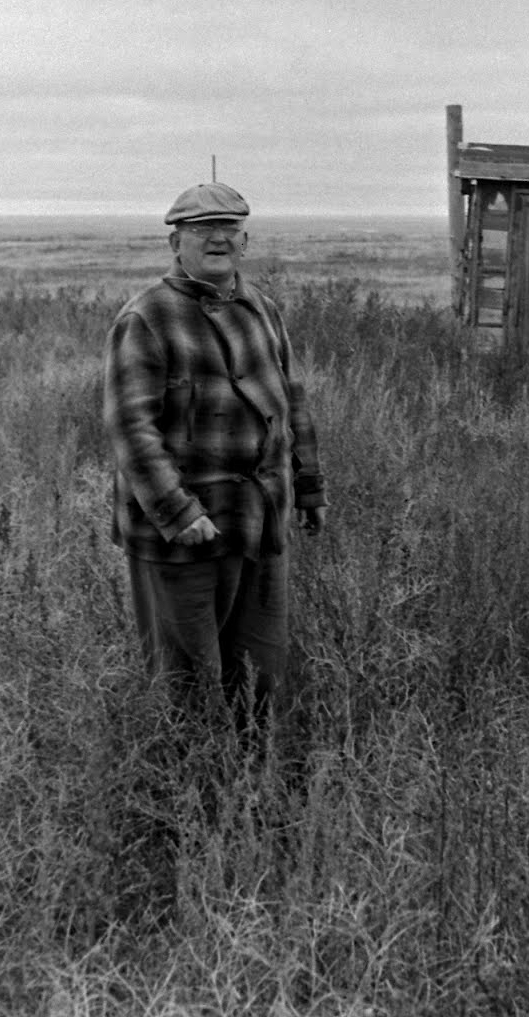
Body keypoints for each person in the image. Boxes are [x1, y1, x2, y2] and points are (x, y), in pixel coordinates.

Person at [103, 182, 326, 748]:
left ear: (245, 240)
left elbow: (291, 400)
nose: (218, 238)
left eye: (229, 228)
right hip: (188, 536)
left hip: (260, 522)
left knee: (258, 676)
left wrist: (308, 486)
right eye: (203, 230)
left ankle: (248, 793)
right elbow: (132, 428)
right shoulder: (147, 317)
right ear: (176, 243)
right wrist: (179, 513)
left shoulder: (263, 310)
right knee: (188, 684)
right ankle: (186, 803)